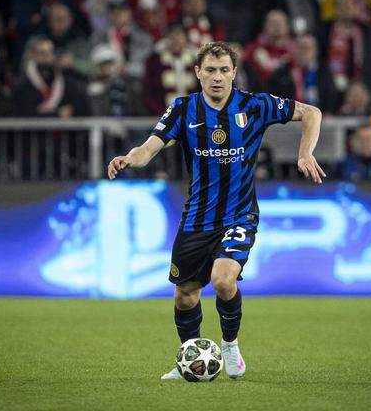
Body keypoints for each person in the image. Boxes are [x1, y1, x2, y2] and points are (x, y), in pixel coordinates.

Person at [107, 42, 325, 380]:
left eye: (224, 70)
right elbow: (149, 147)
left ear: (234, 73)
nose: (218, 77)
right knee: (185, 295)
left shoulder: (255, 105)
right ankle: (191, 359)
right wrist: (130, 159)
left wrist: (305, 153)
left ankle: (230, 345)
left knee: (223, 281)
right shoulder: (183, 109)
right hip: (197, 218)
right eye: (210, 70)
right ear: (197, 73)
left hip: (239, 215)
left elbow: (311, 112)